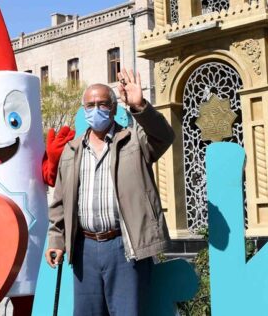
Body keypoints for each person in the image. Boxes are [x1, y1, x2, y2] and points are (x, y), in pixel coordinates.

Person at [45, 69, 175, 315]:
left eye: (103, 104)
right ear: (84, 110)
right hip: (85, 249)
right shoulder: (72, 150)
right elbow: (60, 203)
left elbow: (164, 137)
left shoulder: (134, 140)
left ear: (114, 108)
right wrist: (56, 239)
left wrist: (140, 107)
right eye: (90, 105)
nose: (96, 109)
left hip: (124, 247)